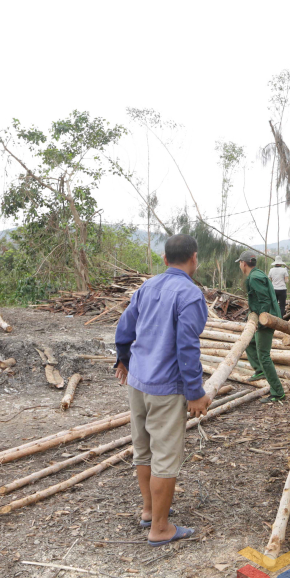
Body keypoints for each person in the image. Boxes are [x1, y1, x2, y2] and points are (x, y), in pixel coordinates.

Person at [115, 234, 211, 546]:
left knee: (143, 450)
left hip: (138, 381)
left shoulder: (147, 287)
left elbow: (124, 328)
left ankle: (147, 511)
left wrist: (123, 360)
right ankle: (160, 528)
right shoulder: (190, 295)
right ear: (194, 259)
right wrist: (195, 392)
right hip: (167, 388)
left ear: (165, 260)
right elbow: (187, 348)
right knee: (165, 459)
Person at [236, 250, 285, 403]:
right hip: (265, 316)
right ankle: (259, 370)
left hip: (266, 319)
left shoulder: (254, 278)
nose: (239, 265)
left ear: (244, 264)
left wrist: (261, 320)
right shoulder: (257, 274)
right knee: (250, 343)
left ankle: (278, 392)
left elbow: (264, 300)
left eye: (239, 263)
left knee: (264, 356)